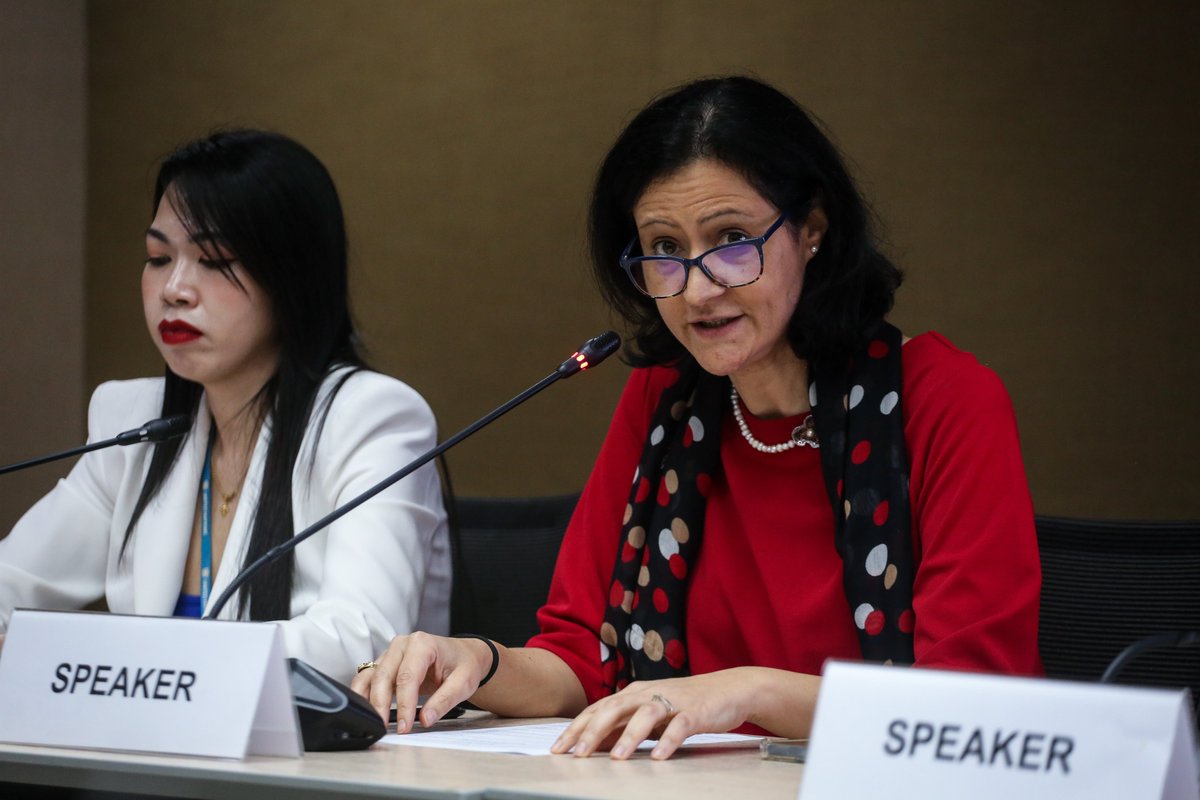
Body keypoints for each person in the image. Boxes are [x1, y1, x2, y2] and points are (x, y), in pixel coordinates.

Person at [352, 76, 1041, 758]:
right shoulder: (665, 403)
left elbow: (970, 704)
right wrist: (476, 662)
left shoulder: (943, 398)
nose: (698, 287)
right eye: (665, 249)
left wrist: (747, 693)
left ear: (812, 231)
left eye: (733, 238)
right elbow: (583, 658)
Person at [0, 130, 451, 683]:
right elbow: (11, 581)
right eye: (159, 257)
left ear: (291, 278)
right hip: (153, 757)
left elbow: (364, 640)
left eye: (213, 260)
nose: (175, 288)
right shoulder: (132, 422)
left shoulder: (371, 418)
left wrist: (123, 659)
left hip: (317, 761)